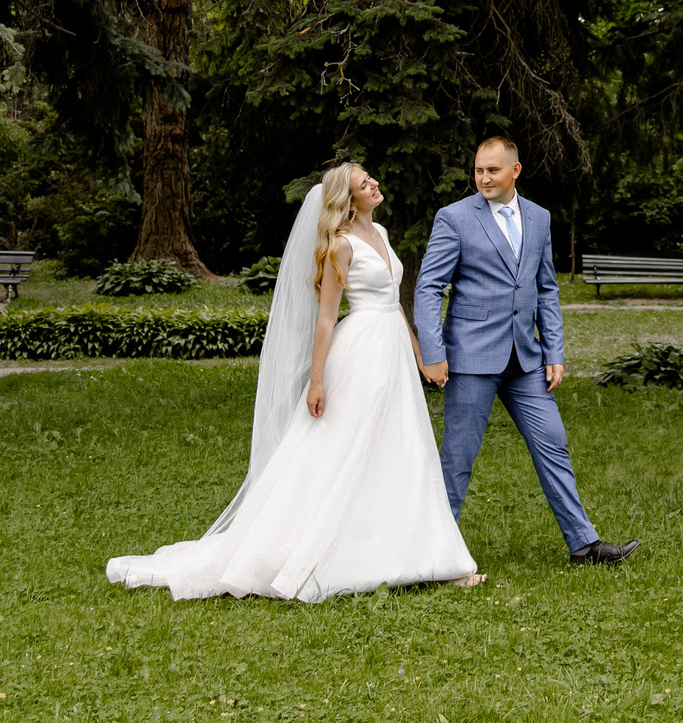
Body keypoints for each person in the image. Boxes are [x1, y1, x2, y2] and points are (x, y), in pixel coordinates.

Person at [105, 163, 482, 602]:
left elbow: (394, 302)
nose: (375, 183)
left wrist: (421, 356)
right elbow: (326, 317)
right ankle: (325, 550)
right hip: (361, 351)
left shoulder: (379, 234)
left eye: (371, 177)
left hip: (393, 350)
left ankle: (430, 555)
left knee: (403, 444)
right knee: (346, 447)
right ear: (347, 198)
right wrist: (316, 379)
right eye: (364, 183)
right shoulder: (339, 247)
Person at [415, 135, 642, 565]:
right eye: (479, 170)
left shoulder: (539, 217)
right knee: (458, 458)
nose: (483, 177)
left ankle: (584, 545)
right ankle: (433, 554)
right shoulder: (454, 217)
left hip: (526, 358)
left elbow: (545, 288)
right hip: (470, 358)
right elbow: (428, 287)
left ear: (515, 171)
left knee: (553, 444)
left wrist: (554, 351)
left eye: (493, 170)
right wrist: (433, 352)